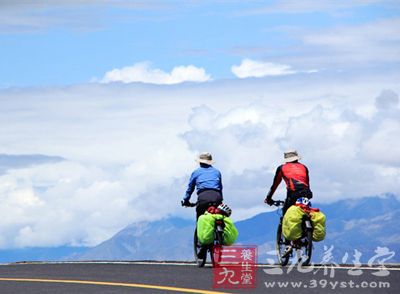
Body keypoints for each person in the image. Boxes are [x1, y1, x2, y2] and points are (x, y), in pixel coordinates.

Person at [264, 149, 313, 214]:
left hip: (293, 195)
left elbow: (274, 185)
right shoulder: (304, 167)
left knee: (287, 214)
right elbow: (307, 184)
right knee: (307, 212)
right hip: (307, 193)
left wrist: (268, 198)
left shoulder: (282, 168)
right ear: (297, 158)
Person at [182, 152, 223, 219]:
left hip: (203, 198)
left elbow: (190, 188)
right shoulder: (217, 172)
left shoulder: (196, 172)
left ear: (200, 162)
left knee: (200, 222)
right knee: (219, 217)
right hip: (217, 197)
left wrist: (186, 200)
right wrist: (220, 200)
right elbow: (220, 188)